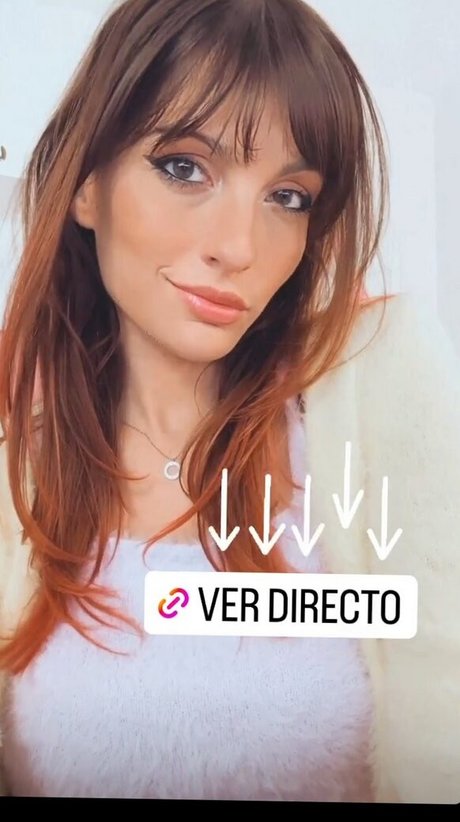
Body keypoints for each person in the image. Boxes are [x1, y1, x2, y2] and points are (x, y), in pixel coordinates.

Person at [0, 0, 459, 804]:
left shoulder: (372, 421)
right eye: (185, 167)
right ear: (86, 186)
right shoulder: (21, 458)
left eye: (289, 197)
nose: (239, 247)